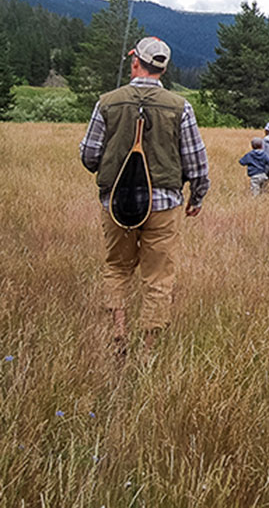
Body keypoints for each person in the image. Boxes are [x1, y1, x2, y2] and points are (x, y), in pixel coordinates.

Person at [80, 36, 209, 354]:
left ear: (136, 61)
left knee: (117, 267)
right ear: (162, 69)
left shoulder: (107, 102)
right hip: (165, 205)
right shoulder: (180, 106)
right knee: (158, 276)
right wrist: (197, 197)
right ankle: (149, 349)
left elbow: (89, 155)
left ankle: (118, 335)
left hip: (116, 203)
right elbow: (196, 162)